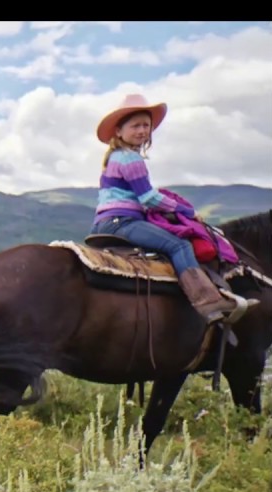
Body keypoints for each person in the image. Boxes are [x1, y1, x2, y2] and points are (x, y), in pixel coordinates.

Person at [91, 93, 244, 324]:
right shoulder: (130, 158)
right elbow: (149, 198)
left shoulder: (116, 156)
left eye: (146, 125)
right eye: (135, 126)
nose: (142, 131)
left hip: (108, 222)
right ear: (119, 131)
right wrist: (186, 212)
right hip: (122, 221)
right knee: (179, 245)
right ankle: (207, 302)